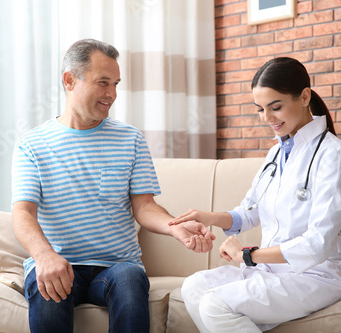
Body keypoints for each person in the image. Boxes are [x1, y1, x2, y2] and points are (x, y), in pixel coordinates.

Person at [11, 38, 215, 333]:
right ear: (70, 80)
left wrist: (174, 226)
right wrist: (44, 256)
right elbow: (23, 214)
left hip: (117, 266)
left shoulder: (130, 138)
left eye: (116, 83)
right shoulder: (33, 145)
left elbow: (144, 206)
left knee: (130, 281)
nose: (112, 94)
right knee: (47, 294)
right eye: (103, 83)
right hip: (58, 262)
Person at [169, 57, 341, 332]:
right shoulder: (276, 153)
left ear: (305, 96)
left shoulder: (333, 155)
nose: (267, 118)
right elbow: (250, 211)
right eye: (260, 109)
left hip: (317, 276)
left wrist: (248, 255)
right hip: (273, 271)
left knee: (215, 304)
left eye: (276, 107)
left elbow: (317, 243)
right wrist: (208, 216)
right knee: (195, 286)